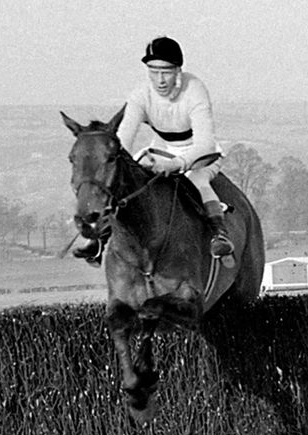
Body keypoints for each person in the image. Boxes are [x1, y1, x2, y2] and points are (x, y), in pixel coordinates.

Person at [74, 36, 234, 266]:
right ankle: (100, 239)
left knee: (198, 182)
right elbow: (122, 141)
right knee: (125, 181)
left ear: (178, 70)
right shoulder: (140, 95)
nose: (160, 80)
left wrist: (176, 164)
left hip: (200, 155)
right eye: (153, 71)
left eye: (166, 72)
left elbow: (205, 144)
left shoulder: (195, 90)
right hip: (160, 150)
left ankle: (219, 235)